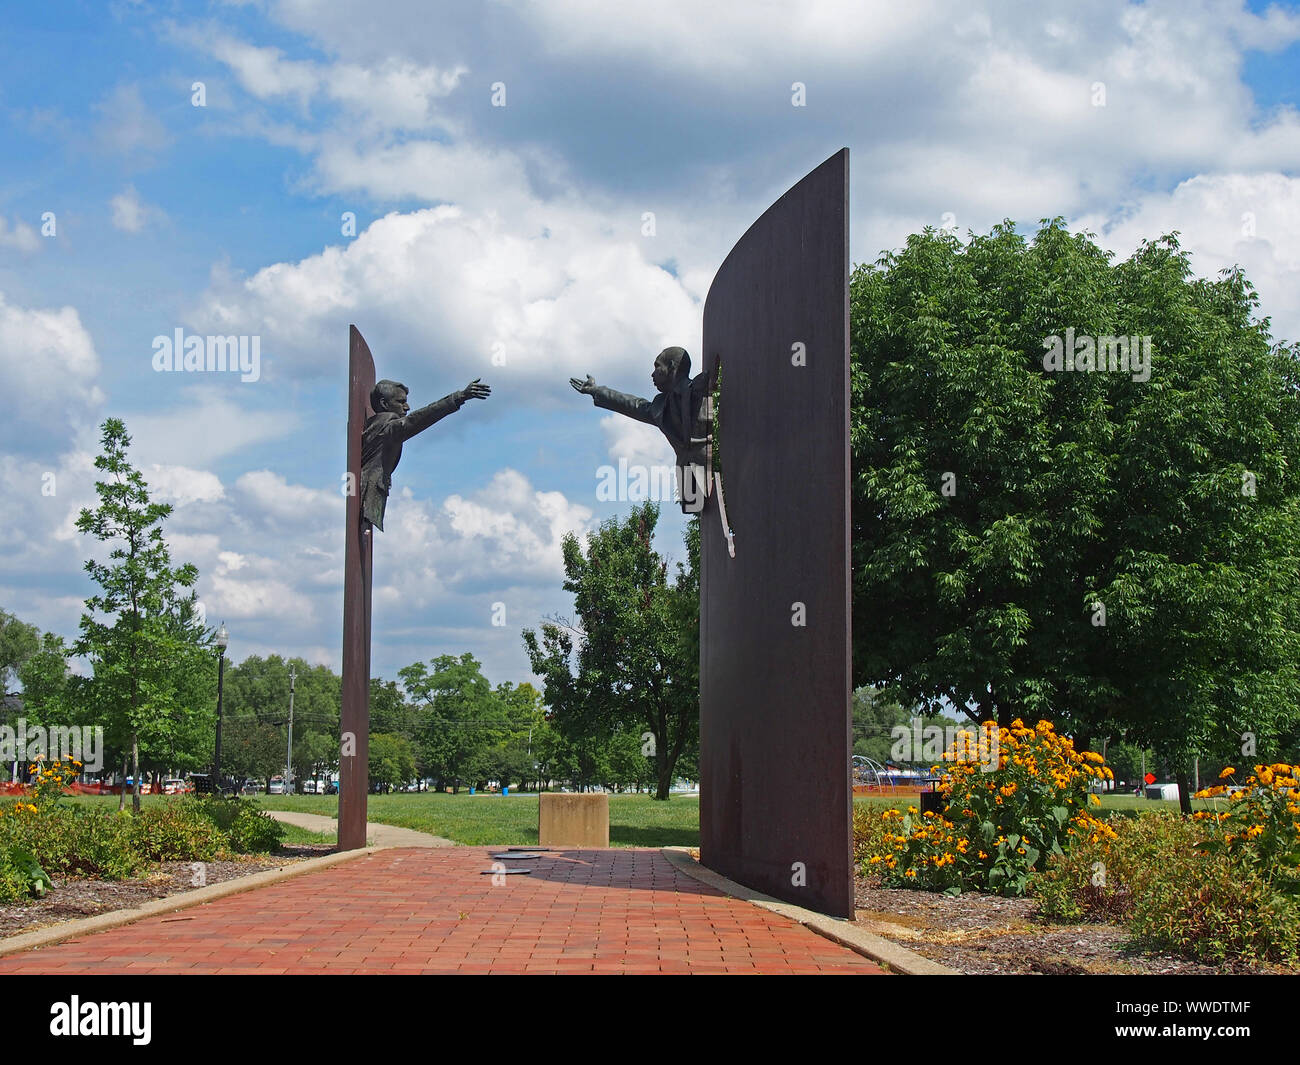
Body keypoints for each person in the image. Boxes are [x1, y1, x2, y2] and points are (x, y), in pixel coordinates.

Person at [360, 377, 491, 530]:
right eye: (401, 402)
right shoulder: (387, 428)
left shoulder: (378, 427)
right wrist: (459, 397)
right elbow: (419, 419)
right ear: (384, 404)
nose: (407, 407)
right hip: (365, 497)